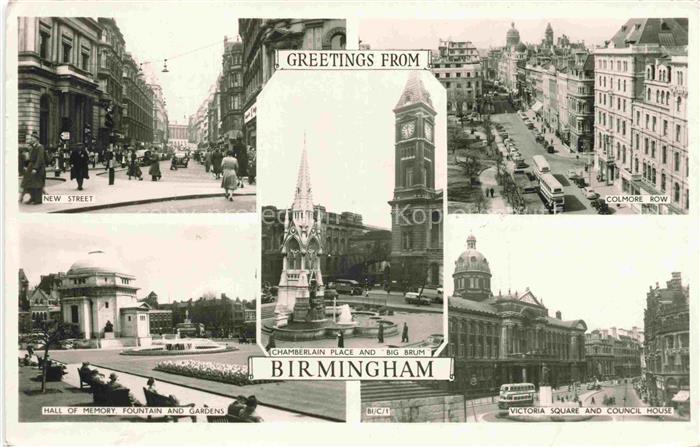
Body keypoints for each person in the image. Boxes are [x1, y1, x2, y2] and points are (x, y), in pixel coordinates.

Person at [21, 131, 46, 204]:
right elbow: (30, 158)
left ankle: (38, 200)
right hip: (31, 167)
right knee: (30, 183)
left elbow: (40, 158)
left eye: (32, 138)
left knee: (38, 184)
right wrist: (26, 166)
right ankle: (32, 198)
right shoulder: (33, 147)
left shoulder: (40, 147)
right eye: (31, 138)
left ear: (36, 139)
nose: (31, 139)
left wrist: (35, 168)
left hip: (38, 168)